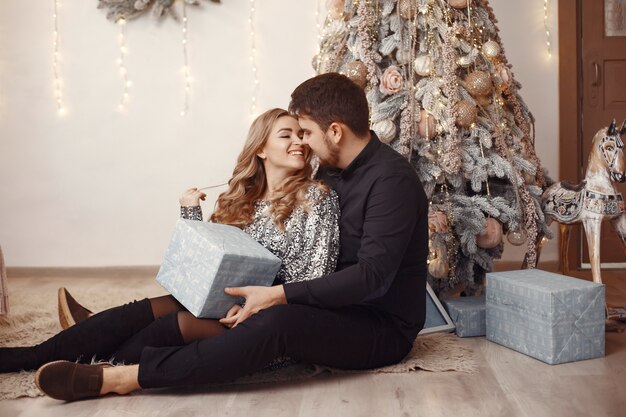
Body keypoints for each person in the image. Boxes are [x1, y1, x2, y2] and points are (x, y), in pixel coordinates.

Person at [34, 72, 429, 402]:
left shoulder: (391, 182)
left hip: (375, 326)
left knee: (278, 323)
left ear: (336, 131)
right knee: (173, 304)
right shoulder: (327, 171)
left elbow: (371, 277)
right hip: (324, 302)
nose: (302, 144)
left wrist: (275, 296)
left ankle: (121, 377)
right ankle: (38, 353)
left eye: (306, 132)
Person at [0, 108, 340, 375]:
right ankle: (29, 356)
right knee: (139, 311)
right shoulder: (243, 198)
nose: (299, 141)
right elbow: (206, 261)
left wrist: (256, 306)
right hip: (220, 304)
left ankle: (91, 367)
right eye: (286, 135)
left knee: (173, 324)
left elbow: (312, 281)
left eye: (301, 135)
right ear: (261, 149)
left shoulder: (315, 198)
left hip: (265, 324)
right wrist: (189, 214)